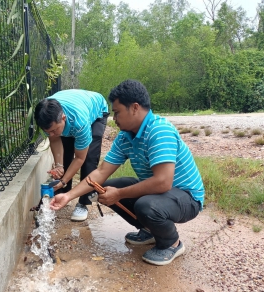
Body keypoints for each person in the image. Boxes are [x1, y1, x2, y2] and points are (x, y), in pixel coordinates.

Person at [49, 80, 205, 266]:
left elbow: (163, 182)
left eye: (117, 112)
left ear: (135, 108)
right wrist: (68, 196)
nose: (114, 118)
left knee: (146, 205)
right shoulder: (125, 136)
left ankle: (171, 243)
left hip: (187, 197)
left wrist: (120, 194)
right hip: (162, 195)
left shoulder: (159, 130)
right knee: (105, 189)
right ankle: (150, 230)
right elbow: (101, 172)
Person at [34, 89, 109, 221]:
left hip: (97, 111)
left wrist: (63, 181)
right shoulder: (46, 117)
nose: (50, 134)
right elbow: (55, 140)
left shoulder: (80, 123)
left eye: (53, 130)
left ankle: (84, 203)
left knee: (89, 158)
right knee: (66, 152)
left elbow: (80, 158)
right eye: (47, 131)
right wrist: (59, 165)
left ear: (63, 118)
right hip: (75, 104)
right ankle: (63, 194)